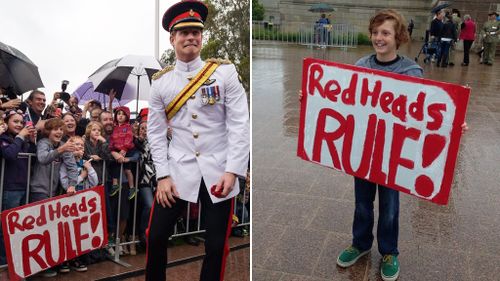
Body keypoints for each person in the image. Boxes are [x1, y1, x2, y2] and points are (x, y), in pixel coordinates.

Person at [146, 0, 249, 280]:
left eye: (196, 32)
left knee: (216, 245)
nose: (191, 36)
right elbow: (154, 132)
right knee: (155, 237)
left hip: (219, 170)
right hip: (178, 172)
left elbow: (239, 123)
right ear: (173, 38)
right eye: (184, 32)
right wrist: (162, 176)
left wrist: (234, 170)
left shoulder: (224, 72)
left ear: (201, 36)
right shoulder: (161, 83)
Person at [29, 118, 78, 277]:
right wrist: (61, 149)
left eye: (61, 129)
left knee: (50, 230)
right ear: (48, 131)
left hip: (54, 192)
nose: (58, 132)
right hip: (39, 190)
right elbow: (43, 158)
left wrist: (72, 184)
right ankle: (38, 266)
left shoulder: (65, 145)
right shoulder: (43, 142)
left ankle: (48, 264)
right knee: (39, 230)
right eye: (55, 129)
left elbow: (72, 168)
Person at [0, 110, 37, 266]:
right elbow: (9, 154)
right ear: (7, 122)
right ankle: (4, 262)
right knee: (6, 228)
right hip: (10, 188)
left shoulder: (22, 140)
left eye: (22, 122)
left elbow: (34, 160)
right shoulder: (3, 138)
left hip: (24, 187)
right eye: (15, 121)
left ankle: (15, 260)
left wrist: (33, 141)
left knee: (20, 228)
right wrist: (21, 136)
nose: (19, 125)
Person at [59, 135, 96, 273]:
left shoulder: (86, 163)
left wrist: (89, 169)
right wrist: (82, 176)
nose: (79, 147)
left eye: (81, 145)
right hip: (68, 203)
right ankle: (64, 260)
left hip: (83, 202)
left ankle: (76, 259)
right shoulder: (66, 164)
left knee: (79, 231)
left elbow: (95, 182)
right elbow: (64, 183)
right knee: (67, 232)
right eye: (76, 145)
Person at [108, 106, 137, 200]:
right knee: (115, 166)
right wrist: (112, 148)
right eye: (119, 114)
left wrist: (124, 149)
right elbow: (112, 139)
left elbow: (129, 138)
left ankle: (132, 188)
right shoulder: (114, 127)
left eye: (123, 114)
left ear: (127, 116)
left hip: (127, 150)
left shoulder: (128, 127)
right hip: (117, 150)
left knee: (127, 170)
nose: (120, 116)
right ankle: (115, 184)